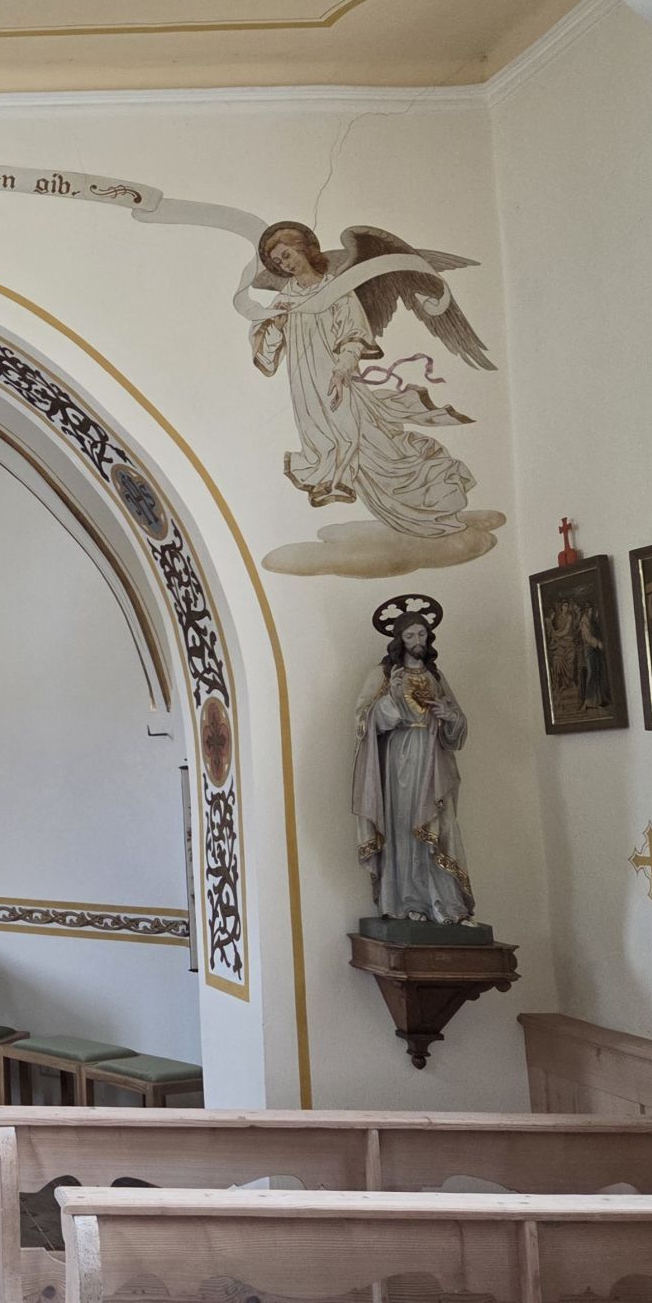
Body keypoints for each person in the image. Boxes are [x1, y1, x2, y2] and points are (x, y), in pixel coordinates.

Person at [250, 223, 477, 538]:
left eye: (286, 255)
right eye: (278, 262)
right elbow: (266, 354)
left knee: (374, 448)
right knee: (349, 456)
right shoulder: (282, 302)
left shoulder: (336, 290)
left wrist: (342, 369)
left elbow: (354, 336)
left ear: (302, 248)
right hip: (306, 393)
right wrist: (276, 325)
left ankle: (433, 507)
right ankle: (407, 520)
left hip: (337, 382)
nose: (284, 265)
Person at [353, 602, 474, 924]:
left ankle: (445, 904)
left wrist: (451, 717)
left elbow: (457, 726)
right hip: (399, 761)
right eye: (410, 635)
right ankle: (407, 901)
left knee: (442, 825)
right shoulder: (383, 675)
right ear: (399, 640)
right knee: (403, 826)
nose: (417, 640)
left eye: (422, 634)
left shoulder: (436, 676)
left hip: (434, 760)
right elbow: (363, 720)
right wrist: (390, 700)